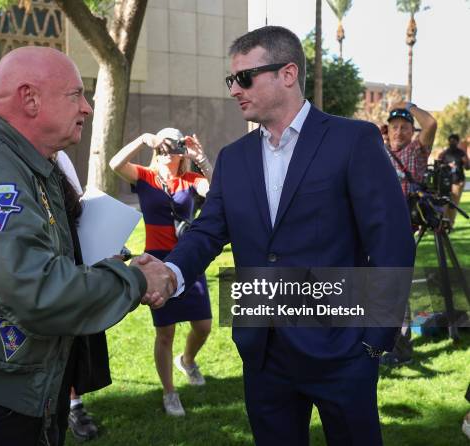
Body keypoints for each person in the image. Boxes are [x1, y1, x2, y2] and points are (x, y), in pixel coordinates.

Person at [0, 46, 174, 446]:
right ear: (30, 98)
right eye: (76, 95)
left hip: (9, 397)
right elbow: (38, 291)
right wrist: (135, 280)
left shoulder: (27, 168)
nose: (88, 108)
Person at [155, 26, 414, 445]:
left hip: (342, 350)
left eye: (245, 78)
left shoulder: (352, 140)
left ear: (288, 73)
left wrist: (373, 343)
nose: (235, 90)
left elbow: (392, 242)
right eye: (231, 80)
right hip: (263, 351)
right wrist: (169, 272)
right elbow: (207, 230)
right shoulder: (233, 158)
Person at [109, 129, 213, 417]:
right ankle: (170, 393)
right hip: (156, 261)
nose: (168, 152)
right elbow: (115, 165)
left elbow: (217, 195)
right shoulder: (144, 176)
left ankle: (188, 360)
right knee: (164, 332)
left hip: (189, 259)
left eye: (174, 146)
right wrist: (143, 139)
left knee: (203, 326)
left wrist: (201, 158)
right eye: (163, 146)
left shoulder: (190, 179)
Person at [380, 102, 437, 367]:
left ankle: (401, 349)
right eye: (394, 127)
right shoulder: (378, 153)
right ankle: (380, 342)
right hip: (375, 232)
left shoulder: (416, 151)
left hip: (402, 234)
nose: (399, 132)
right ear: (388, 130)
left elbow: (431, 124)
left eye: (404, 128)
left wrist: (408, 106)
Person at [53, 150, 103, 443]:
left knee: (76, 342)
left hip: (72, 264)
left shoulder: (59, 156)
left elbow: (77, 203)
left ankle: (74, 405)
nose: (84, 109)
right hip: (44, 272)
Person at [438, 134, 469, 227]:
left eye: (454, 141)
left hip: (458, 182)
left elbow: (467, 167)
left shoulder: (461, 153)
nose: (452, 143)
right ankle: (445, 221)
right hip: (446, 182)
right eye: (451, 141)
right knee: (444, 203)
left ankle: (450, 223)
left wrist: (465, 162)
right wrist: (447, 166)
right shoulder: (444, 153)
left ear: (457, 142)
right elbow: (438, 165)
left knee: (453, 204)